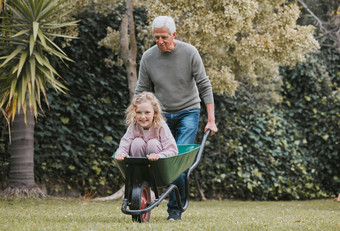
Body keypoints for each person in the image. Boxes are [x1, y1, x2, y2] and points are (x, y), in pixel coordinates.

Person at [135, 15, 218, 221]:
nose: (160, 41)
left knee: (176, 160)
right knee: (156, 159)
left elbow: (204, 84)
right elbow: (141, 91)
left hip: (188, 112)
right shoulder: (148, 57)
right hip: (161, 117)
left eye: (164, 37)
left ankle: (174, 210)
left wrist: (211, 119)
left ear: (174, 35)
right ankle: (150, 197)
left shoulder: (190, 52)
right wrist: (138, 119)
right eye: (156, 37)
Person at [115, 91, 178, 161]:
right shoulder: (134, 126)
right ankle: (138, 167)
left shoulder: (161, 126)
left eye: (147, 112)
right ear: (134, 113)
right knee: (137, 142)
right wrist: (121, 154)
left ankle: (154, 170)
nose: (142, 117)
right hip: (138, 164)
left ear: (155, 113)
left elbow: (172, 150)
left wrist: (159, 156)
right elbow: (124, 144)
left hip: (158, 163)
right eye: (138, 112)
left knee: (153, 143)